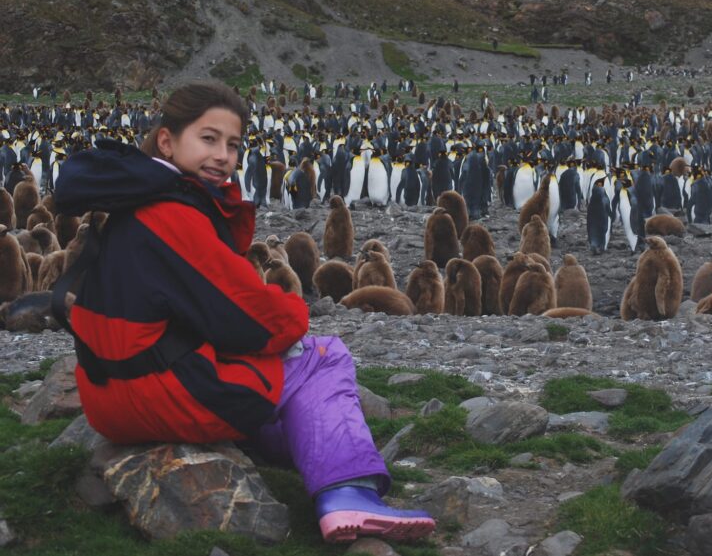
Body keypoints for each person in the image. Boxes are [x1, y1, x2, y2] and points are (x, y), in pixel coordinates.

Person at [58, 82, 435, 544]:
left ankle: (312, 455)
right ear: (167, 140)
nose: (222, 155)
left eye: (233, 145)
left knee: (271, 372)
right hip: (155, 395)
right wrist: (294, 308)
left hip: (109, 395)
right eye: (208, 138)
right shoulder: (172, 214)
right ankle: (348, 493)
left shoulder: (133, 200)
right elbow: (251, 319)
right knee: (321, 356)